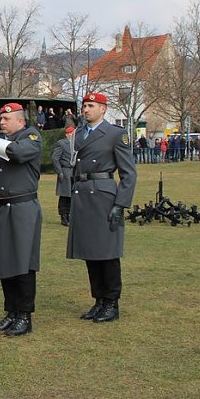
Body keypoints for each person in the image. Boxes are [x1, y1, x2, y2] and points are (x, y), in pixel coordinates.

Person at [67, 92, 136, 323]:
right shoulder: (78, 135)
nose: (85, 110)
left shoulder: (115, 134)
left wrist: (120, 204)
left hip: (104, 195)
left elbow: (129, 174)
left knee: (107, 253)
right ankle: (99, 300)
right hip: (83, 193)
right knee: (91, 252)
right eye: (84, 106)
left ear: (103, 109)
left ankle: (111, 302)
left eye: (91, 105)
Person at [0, 103, 43, 336]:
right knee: (5, 261)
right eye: (0, 118)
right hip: (1, 208)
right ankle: (11, 312)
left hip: (23, 206)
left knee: (23, 263)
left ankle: (24, 314)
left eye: (6, 118)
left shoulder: (31, 137)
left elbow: (17, 153)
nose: (1, 122)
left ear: (20, 121)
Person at [51, 126, 76, 226]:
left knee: (74, 195)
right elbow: (55, 158)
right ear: (67, 134)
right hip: (65, 171)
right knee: (65, 195)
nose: (73, 135)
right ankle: (64, 216)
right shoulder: (61, 144)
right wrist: (59, 171)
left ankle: (71, 215)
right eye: (71, 133)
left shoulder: (77, 144)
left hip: (75, 171)